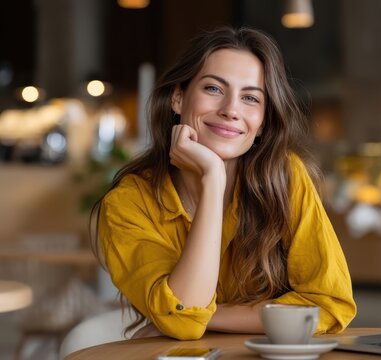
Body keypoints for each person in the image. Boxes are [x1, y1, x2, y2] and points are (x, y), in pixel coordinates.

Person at [92, 26, 356, 341]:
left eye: (250, 97)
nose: (231, 110)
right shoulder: (129, 203)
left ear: (261, 123)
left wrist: (206, 315)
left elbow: (331, 303)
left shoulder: (285, 176)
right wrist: (213, 179)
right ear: (178, 98)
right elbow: (184, 321)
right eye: (214, 89)